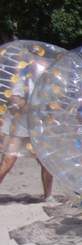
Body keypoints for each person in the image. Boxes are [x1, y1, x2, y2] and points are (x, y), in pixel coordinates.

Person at [0, 63, 55, 201]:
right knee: (8, 161)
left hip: (37, 127)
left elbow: (52, 104)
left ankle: (48, 195)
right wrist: (32, 106)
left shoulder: (48, 82)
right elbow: (15, 101)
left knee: (46, 162)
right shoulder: (22, 79)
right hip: (18, 127)